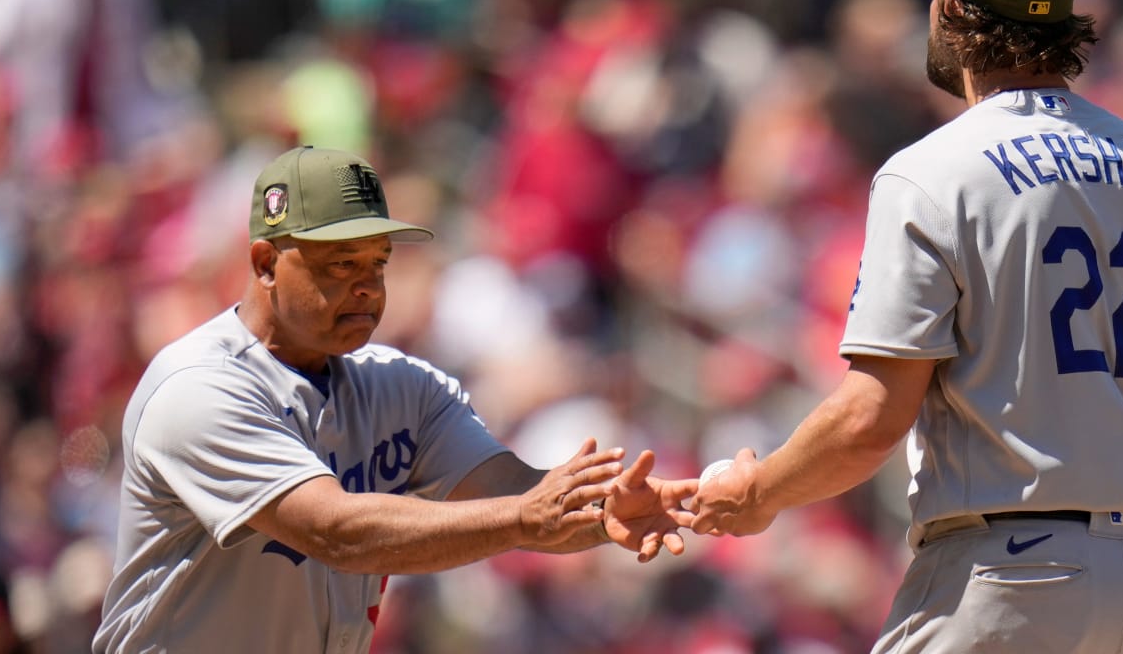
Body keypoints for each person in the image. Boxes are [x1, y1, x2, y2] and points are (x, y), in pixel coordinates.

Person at [686, 0, 1123, 653]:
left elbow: (871, 419)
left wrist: (758, 493)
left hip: (1008, 574)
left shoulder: (934, 173)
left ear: (950, 7)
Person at [93, 145, 696, 653]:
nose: (366, 284)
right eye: (340, 262)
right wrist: (524, 518)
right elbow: (335, 531)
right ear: (265, 262)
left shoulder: (402, 385)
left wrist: (604, 511)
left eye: (378, 262)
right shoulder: (198, 386)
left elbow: (525, 501)